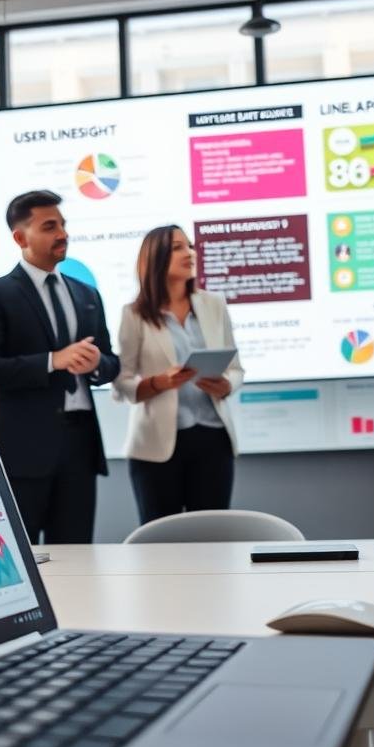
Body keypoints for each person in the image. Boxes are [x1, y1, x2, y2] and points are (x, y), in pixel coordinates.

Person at [0, 190, 119, 544]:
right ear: (20, 237)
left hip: (80, 446)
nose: (62, 233)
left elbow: (112, 363)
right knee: (24, 554)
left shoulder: (87, 295)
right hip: (24, 449)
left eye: (63, 224)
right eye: (50, 226)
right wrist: (53, 361)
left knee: (79, 556)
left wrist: (98, 364)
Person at [112, 225, 243, 525]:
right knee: (160, 542)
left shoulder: (214, 304)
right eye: (177, 248)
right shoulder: (133, 314)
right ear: (155, 257)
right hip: (156, 448)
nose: (190, 253)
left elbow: (236, 368)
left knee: (212, 539)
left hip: (213, 440)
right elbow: (121, 383)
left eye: (191, 246)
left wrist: (225, 385)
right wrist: (160, 382)